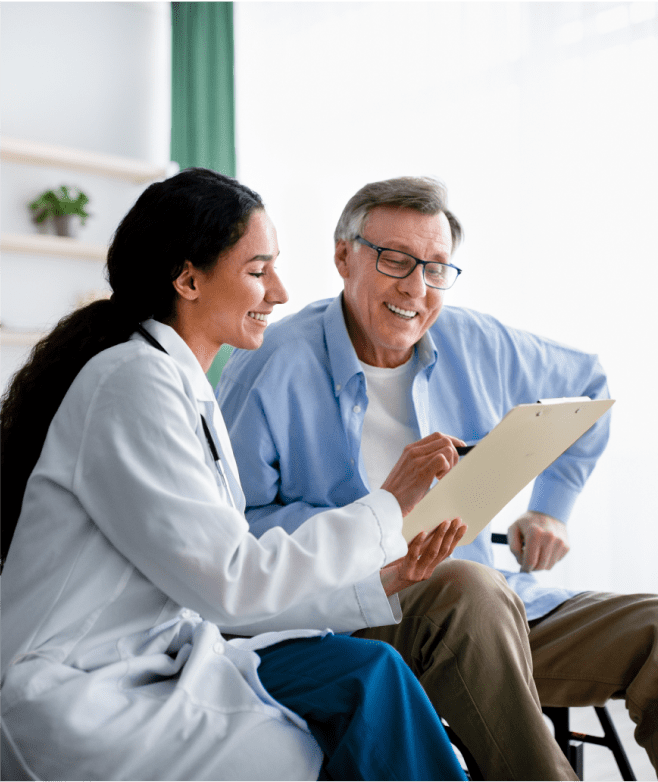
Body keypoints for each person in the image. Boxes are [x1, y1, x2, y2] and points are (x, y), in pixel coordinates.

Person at [0, 168, 470, 782]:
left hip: (160, 659)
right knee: (331, 727)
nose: (279, 291)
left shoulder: (182, 386)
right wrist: (387, 505)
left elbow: (222, 586)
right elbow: (230, 585)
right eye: (257, 270)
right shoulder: (132, 383)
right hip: (81, 686)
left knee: (371, 674)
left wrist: (380, 581)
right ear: (188, 278)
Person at [217, 176, 658, 782]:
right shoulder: (271, 364)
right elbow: (232, 532)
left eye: (435, 269)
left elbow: (588, 384)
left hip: (498, 614)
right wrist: (381, 517)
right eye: (395, 260)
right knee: (466, 587)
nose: (415, 288)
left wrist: (551, 508)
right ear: (343, 256)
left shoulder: (476, 340)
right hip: (357, 615)